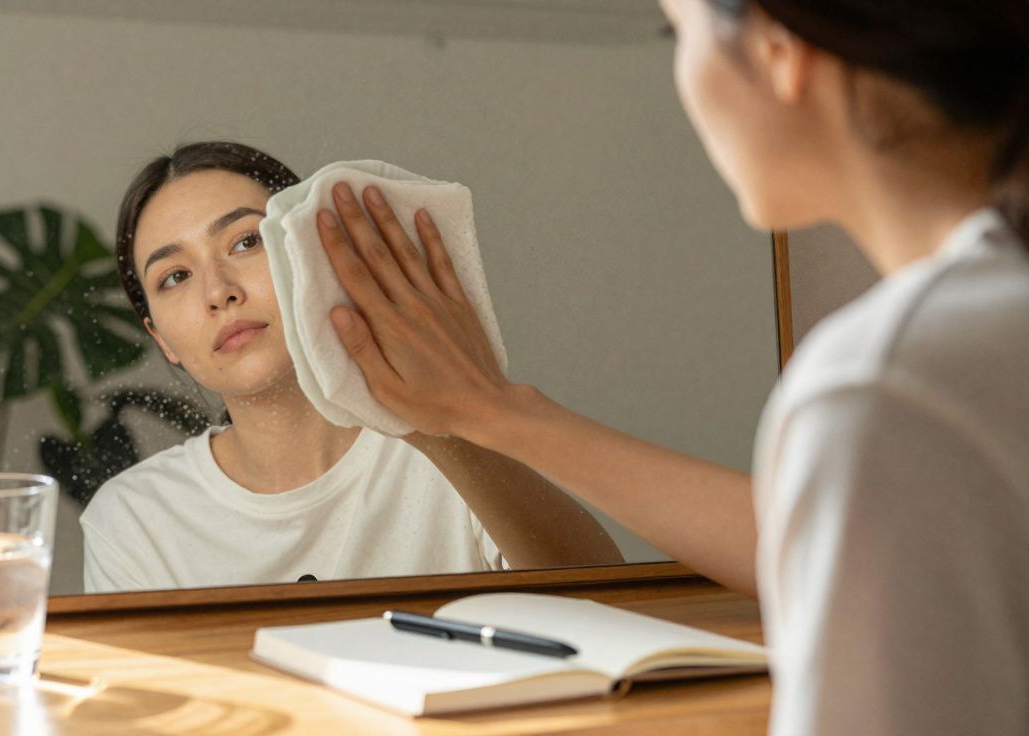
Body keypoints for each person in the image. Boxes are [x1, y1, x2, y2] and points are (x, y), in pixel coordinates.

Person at [312, 2, 1029, 734]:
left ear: (780, 50)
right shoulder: (957, 348)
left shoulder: (886, 383)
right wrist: (493, 409)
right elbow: (829, 538)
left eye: (676, 32)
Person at [80, 141, 621, 593]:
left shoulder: (449, 453)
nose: (218, 292)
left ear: (309, 255)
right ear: (162, 339)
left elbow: (606, 601)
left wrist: (443, 433)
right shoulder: (134, 518)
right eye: (175, 277)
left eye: (246, 242)